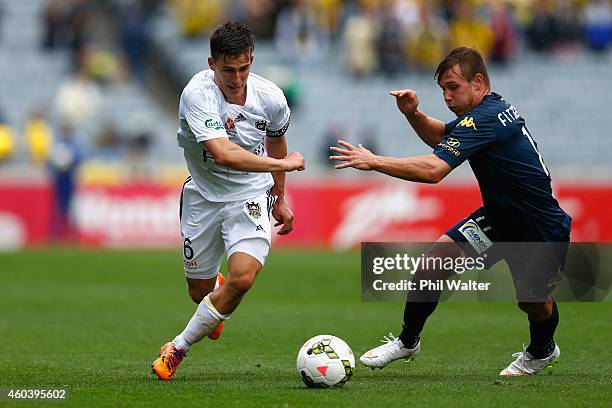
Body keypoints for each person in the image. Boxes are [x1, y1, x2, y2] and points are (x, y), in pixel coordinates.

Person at [330, 47, 571, 376]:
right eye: (442, 89)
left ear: (478, 82)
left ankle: (542, 351)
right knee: (433, 264)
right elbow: (442, 138)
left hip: (540, 228)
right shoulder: (484, 112)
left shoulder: (486, 118)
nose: (445, 96)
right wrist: (413, 114)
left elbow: (434, 170)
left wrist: (374, 161)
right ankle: (407, 340)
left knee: (532, 302)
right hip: (498, 219)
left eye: (453, 87)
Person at [151, 21, 305, 380]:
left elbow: (276, 140)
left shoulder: (271, 98)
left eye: (243, 68)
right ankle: (215, 299)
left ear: (252, 59)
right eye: (227, 70)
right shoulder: (197, 94)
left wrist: (279, 196)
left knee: (243, 279)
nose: (236, 79)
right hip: (203, 197)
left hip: (250, 195)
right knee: (200, 293)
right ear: (211, 63)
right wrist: (282, 165)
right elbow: (222, 153)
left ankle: (177, 348)